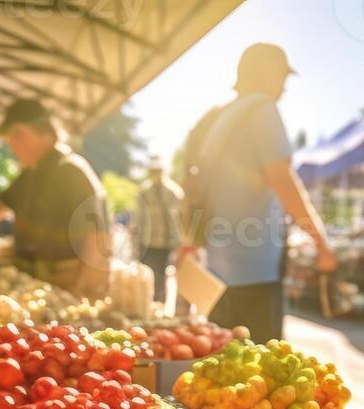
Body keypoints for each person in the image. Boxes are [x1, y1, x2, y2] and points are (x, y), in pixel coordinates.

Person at [179, 42, 335, 344]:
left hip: (218, 268)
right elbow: (282, 179)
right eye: (283, 78)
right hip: (255, 270)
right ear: (267, 72)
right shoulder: (262, 108)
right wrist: (321, 243)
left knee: (222, 367)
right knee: (261, 372)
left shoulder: (218, 120)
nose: (285, 88)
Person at [0, 99, 110, 299]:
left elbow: (96, 236)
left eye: (17, 134)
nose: (11, 143)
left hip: (65, 281)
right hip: (34, 279)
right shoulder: (31, 174)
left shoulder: (71, 171)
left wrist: (82, 289)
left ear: (44, 133)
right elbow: (2, 205)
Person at [135, 158, 184, 302]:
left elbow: (177, 219)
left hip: (165, 242)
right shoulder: (144, 191)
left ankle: (160, 304)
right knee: (146, 276)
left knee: (162, 277)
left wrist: (178, 242)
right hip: (147, 241)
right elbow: (139, 217)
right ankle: (147, 304)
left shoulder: (173, 191)